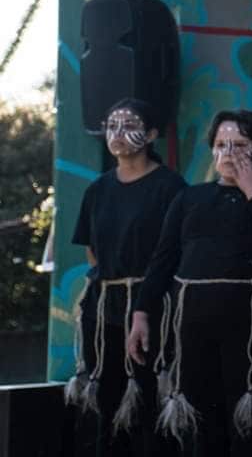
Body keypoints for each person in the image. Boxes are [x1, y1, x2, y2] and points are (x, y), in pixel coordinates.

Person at [126, 109, 252, 456]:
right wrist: (141, 313)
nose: (227, 153)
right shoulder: (190, 198)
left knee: (247, 429)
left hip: (251, 331)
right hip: (194, 333)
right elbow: (162, 261)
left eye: (239, 144)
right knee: (203, 431)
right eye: (221, 144)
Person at [67, 98, 186, 456]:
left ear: (150, 134)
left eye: (129, 124)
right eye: (112, 125)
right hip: (104, 309)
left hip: (155, 307)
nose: (118, 133)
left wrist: (146, 298)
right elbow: (92, 250)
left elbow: (174, 254)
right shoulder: (97, 190)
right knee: (107, 403)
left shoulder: (170, 187)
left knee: (152, 403)